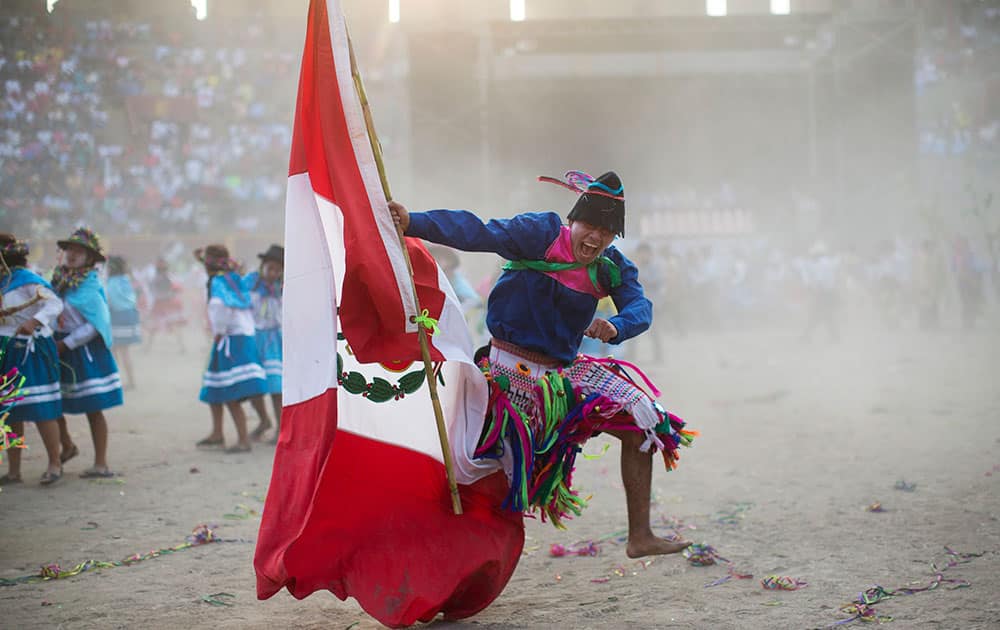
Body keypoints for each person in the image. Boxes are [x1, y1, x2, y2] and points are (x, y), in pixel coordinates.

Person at [389, 170, 696, 558]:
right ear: (573, 220)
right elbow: (479, 231)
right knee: (485, 476)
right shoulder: (539, 233)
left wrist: (616, 326)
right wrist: (414, 221)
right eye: (590, 226)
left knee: (644, 418)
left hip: (562, 375)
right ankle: (437, 548)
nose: (596, 238)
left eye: (606, 232)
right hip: (505, 373)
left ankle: (640, 536)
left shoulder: (610, 266)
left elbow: (640, 307)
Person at [51, 228, 123, 479]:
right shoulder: (58, 281)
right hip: (58, 347)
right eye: (70, 249)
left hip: (83, 351)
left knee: (93, 408)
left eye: (79, 251)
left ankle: (100, 463)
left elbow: (96, 325)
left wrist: (67, 343)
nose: (72, 254)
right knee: (52, 404)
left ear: (90, 258)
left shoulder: (90, 286)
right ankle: (67, 445)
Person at [0, 233, 66, 485]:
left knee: (42, 408)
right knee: (10, 410)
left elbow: (54, 304)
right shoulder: (2, 282)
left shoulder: (28, 280)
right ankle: (14, 470)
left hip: (32, 349)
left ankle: (55, 463)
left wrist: (33, 321)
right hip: (6, 350)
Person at [194, 244, 268, 453]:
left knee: (231, 390)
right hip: (242, 336)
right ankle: (218, 433)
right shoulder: (232, 278)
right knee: (215, 386)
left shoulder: (218, 282)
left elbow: (219, 307)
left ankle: (243, 439)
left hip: (230, 339)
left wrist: (218, 331)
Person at [244, 245, 283, 442]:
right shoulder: (249, 283)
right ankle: (263, 420)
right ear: (262, 266)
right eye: (271, 268)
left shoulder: (283, 286)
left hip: (274, 340)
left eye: (278, 270)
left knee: (276, 387)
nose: (273, 273)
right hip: (252, 338)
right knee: (253, 384)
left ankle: (280, 428)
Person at [105, 255, 142, 389]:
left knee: (117, 351)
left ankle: (118, 381)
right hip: (130, 315)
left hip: (118, 317)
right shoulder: (126, 280)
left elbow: (110, 301)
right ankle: (129, 381)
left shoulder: (111, 282)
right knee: (122, 350)